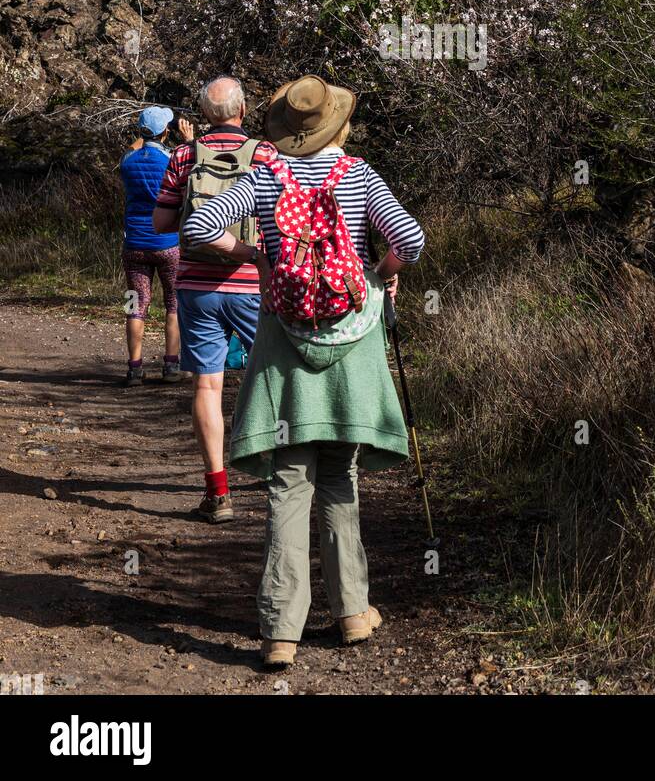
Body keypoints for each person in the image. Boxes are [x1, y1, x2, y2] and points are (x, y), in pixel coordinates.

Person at [180, 74, 425, 669]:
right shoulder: (359, 176)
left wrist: (259, 258)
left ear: (286, 132)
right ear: (337, 126)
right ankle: (352, 613)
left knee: (288, 484)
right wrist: (375, 273)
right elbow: (410, 240)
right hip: (352, 351)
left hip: (284, 348)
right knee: (340, 477)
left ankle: (280, 632)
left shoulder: (265, 177)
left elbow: (195, 228)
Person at [151, 76, 278, 523]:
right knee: (272, 376)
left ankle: (218, 493)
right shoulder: (265, 154)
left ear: (204, 115)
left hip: (197, 286)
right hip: (254, 281)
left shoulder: (184, 155)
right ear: (243, 110)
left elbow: (163, 222)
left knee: (207, 385)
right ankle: (281, 477)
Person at [119, 105, 188, 386]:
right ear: (165, 131)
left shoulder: (127, 162)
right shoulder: (172, 160)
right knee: (173, 303)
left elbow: (130, 150)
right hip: (167, 242)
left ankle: (134, 368)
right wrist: (185, 141)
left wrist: (143, 137)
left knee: (135, 304)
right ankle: (171, 366)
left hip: (134, 243)